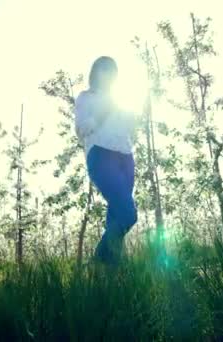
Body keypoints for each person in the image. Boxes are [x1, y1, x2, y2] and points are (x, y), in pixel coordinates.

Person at [74, 56, 138, 265]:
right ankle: (97, 261)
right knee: (129, 215)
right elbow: (81, 130)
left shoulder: (120, 99)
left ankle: (110, 275)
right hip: (100, 155)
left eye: (112, 70)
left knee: (116, 219)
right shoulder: (86, 97)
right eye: (104, 69)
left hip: (125, 157)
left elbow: (128, 129)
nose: (108, 74)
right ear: (95, 73)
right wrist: (101, 114)